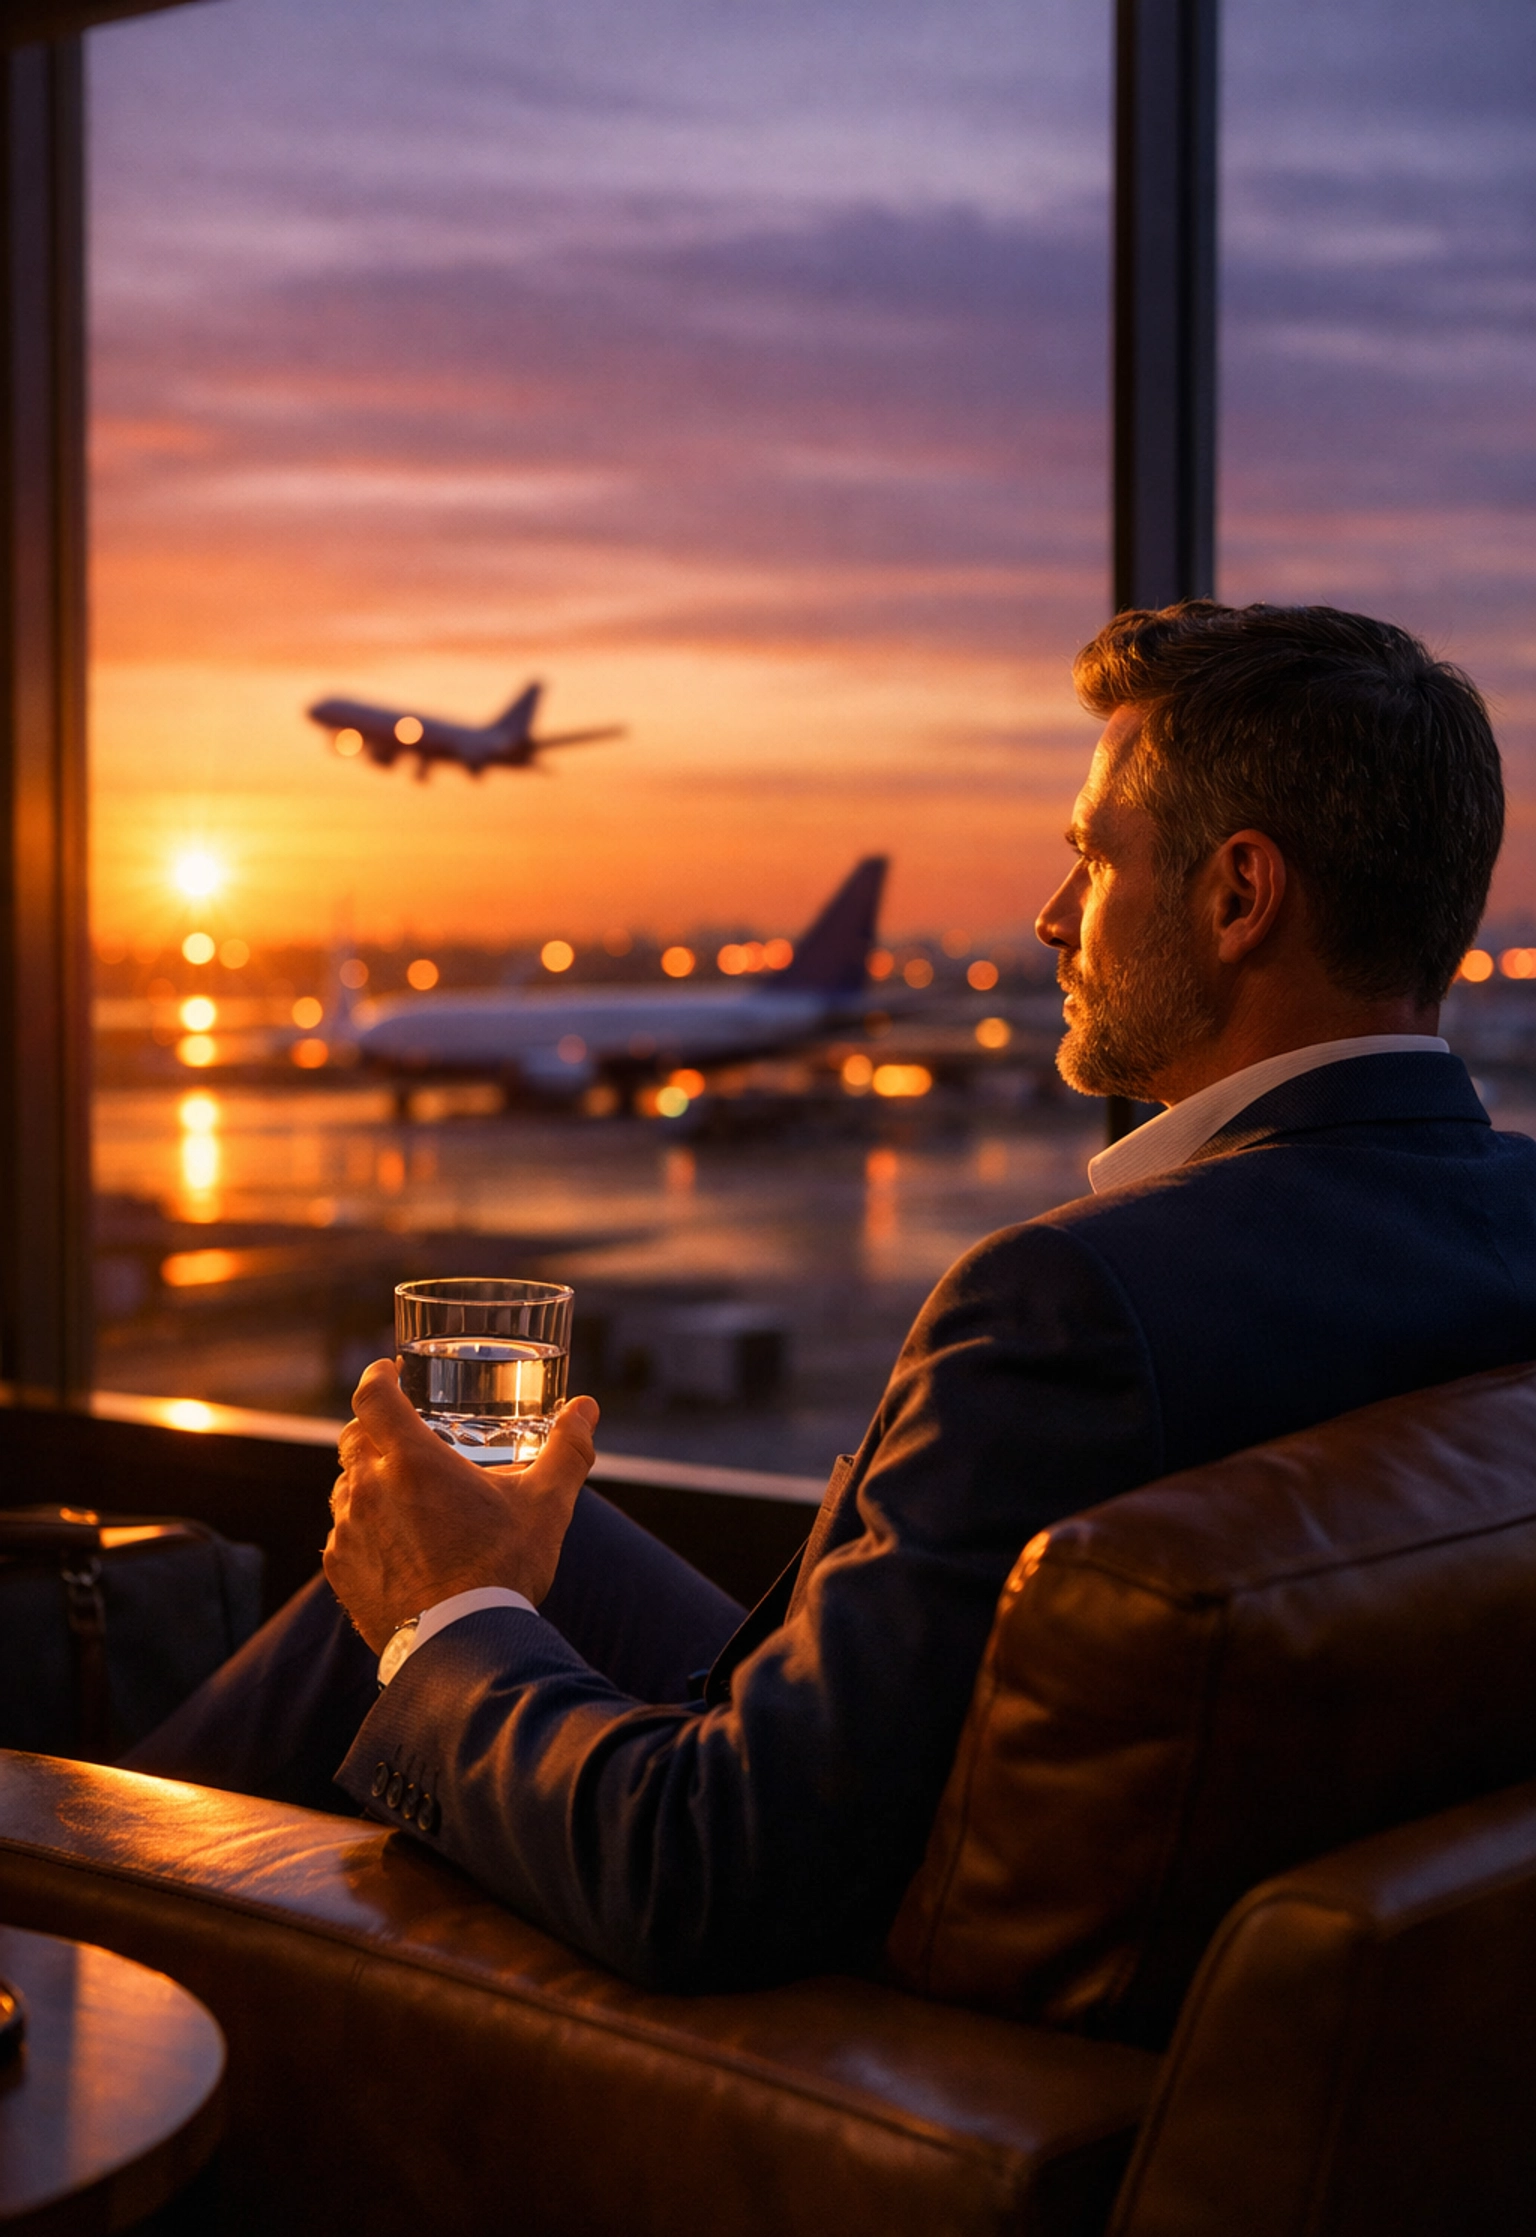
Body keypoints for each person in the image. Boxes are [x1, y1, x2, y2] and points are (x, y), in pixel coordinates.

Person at [129, 598, 1536, 1994]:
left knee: (396, 1594)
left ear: (1237, 897)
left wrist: (442, 1621)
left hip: (839, 1985)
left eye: (1091, 863)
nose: (1050, 920)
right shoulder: (1509, 1220)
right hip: (1059, 1872)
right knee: (501, 1540)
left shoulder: (1069, 1308)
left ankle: (70, 1939)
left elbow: (714, 1871)